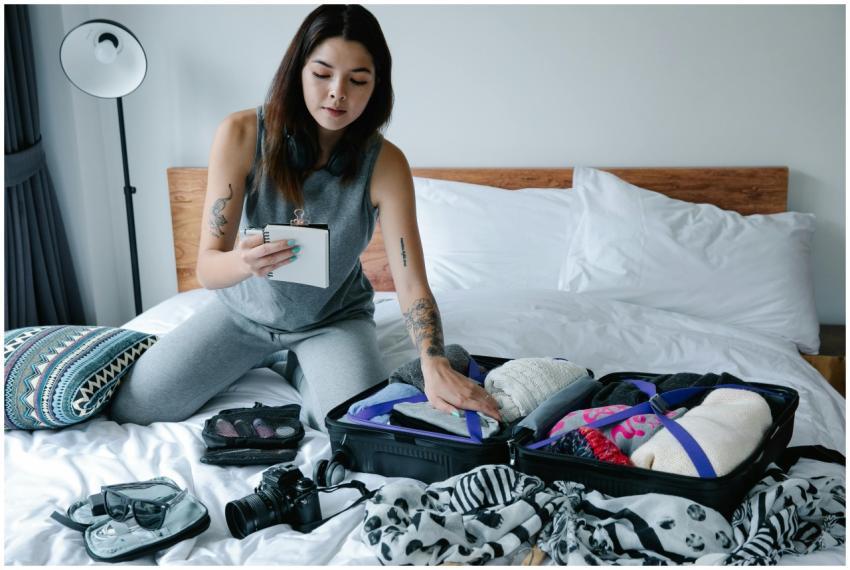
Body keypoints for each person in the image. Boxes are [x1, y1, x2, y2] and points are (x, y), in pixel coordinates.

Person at [110, 4, 501, 430]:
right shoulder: (240, 134)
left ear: (376, 88)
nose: (337, 93)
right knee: (135, 407)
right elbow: (207, 268)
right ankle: (272, 356)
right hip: (243, 314)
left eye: (357, 80)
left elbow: (410, 281)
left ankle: (295, 365)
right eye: (322, 74)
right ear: (297, 72)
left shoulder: (386, 164)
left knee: (350, 427)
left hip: (333, 322)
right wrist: (243, 261)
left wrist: (433, 361)